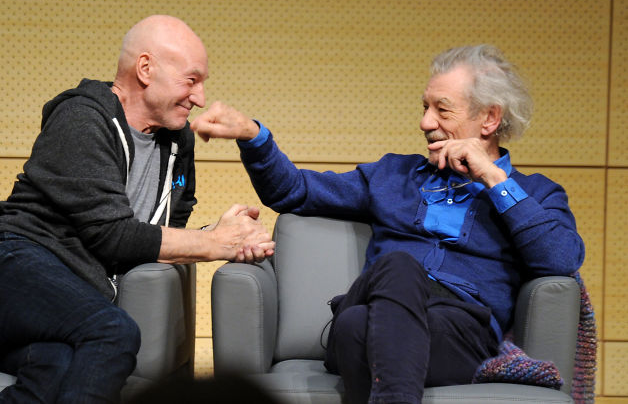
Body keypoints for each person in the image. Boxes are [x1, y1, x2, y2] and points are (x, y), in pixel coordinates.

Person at [190, 44, 585, 404]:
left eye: (441, 109)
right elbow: (294, 191)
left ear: (489, 118)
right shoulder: (393, 175)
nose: (425, 121)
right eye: (424, 107)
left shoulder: (537, 193)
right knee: (397, 268)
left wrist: (494, 180)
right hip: (376, 297)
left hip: (455, 332)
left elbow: (560, 259)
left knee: (360, 327)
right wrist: (252, 136)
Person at [0, 15, 274, 403]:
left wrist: (226, 234)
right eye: (191, 80)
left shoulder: (178, 142)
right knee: (115, 331)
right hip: (10, 271)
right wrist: (216, 243)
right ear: (145, 69)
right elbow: (114, 235)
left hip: (70, 303)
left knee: (54, 371)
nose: (200, 98)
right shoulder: (81, 118)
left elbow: (161, 231)